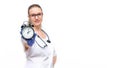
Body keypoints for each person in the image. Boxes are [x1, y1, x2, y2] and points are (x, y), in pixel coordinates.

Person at [21, 4, 57, 68]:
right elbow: (26, 45)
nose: (36, 18)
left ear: (42, 15)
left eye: (39, 14)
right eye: (33, 15)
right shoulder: (26, 35)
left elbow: (53, 55)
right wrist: (27, 43)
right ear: (29, 17)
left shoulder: (47, 33)